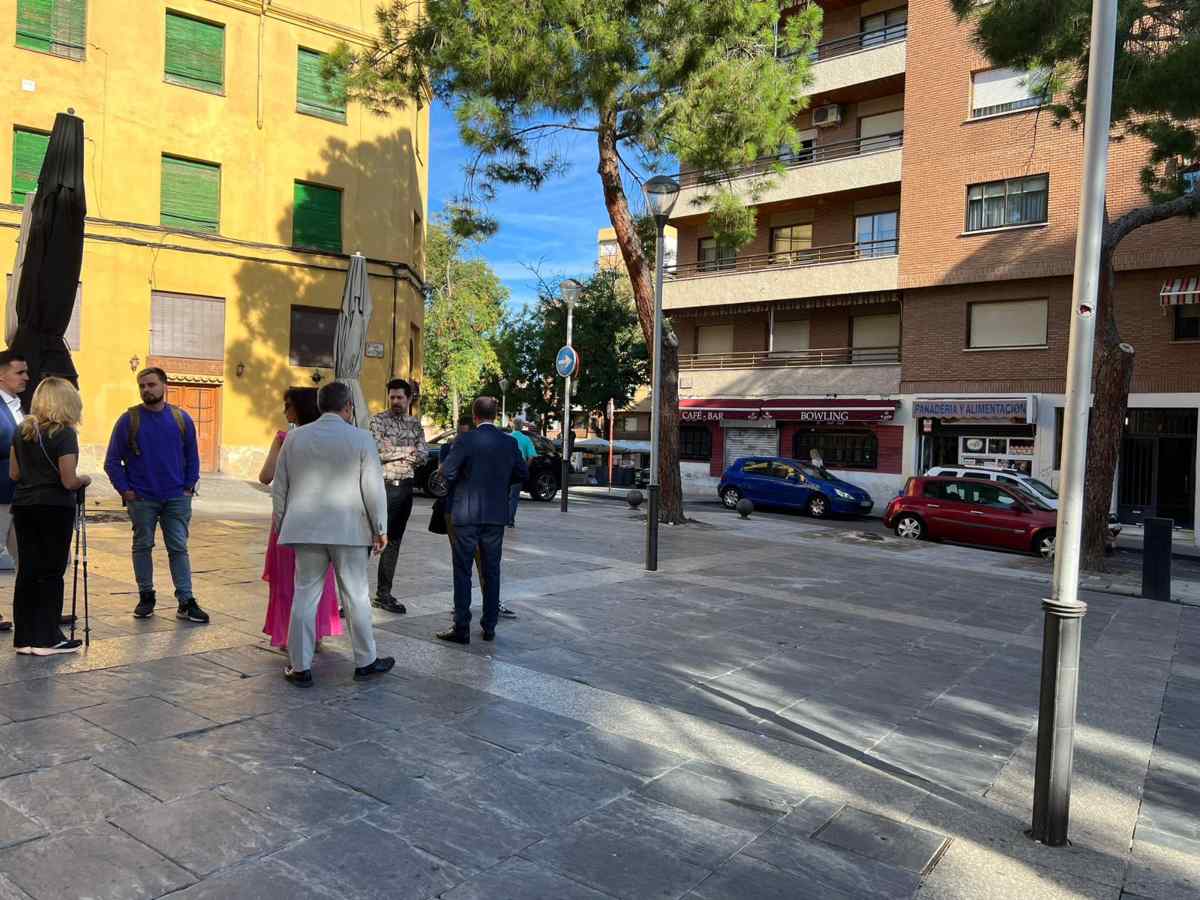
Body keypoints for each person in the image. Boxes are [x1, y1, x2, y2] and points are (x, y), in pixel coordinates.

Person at [271, 381, 394, 686]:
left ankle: (300, 667)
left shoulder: (295, 438)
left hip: (305, 528)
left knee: (305, 595)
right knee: (356, 596)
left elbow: (280, 487)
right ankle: (366, 661)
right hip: (349, 528)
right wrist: (380, 528)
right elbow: (373, 488)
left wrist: (282, 524)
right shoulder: (361, 438)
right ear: (348, 406)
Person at [104, 367, 208, 624]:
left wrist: (188, 486)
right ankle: (146, 596)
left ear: (164, 385)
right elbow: (112, 461)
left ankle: (186, 600)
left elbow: (192, 457)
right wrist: (125, 490)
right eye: (142, 386)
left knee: (178, 548)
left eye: (151, 384)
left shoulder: (181, 418)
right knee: (142, 546)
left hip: (176, 497)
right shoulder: (129, 420)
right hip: (142, 498)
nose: (146, 390)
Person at [436, 396, 527, 645]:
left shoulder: (465, 440)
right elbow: (522, 472)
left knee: (463, 571)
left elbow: (449, 471)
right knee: (492, 570)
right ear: (495, 416)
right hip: (495, 515)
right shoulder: (508, 443)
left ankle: (462, 627)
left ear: (475, 416)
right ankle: (489, 626)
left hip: (465, 515)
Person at [9, 377, 90, 655]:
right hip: (53, 507)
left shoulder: (22, 430)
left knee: (28, 571)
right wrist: (84, 479)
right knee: (52, 572)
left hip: (23, 506)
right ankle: (47, 638)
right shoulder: (64, 434)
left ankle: (24, 638)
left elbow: (14, 474)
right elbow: (68, 481)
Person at [258, 387, 342, 651]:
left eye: (288, 405)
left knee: (287, 581)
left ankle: (289, 636)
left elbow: (265, 476)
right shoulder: (332, 439)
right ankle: (314, 635)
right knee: (317, 579)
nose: (284, 410)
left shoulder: (286, 439)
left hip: (289, 519)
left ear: (300, 408)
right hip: (322, 518)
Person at [367, 378, 428, 615]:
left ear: (408, 398)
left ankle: (384, 593)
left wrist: (397, 450)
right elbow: (378, 452)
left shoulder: (415, 424)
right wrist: (407, 450)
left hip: (405, 488)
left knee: (393, 541)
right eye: (392, 397)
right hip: (382, 486)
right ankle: (352, 594)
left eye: (399, 397)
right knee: (366, 540)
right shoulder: (377, 421)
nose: (395, 401)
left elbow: (423, 454)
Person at [0, 350, 29, 633]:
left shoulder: (20, 406)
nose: (26, 377)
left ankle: (30, 611)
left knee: (25, 555)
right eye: (20, 372)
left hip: (21, 495)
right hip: (0, 493)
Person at [506, 416, 537, 528]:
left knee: (504, 495)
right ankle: (510, 520)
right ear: (521, 427)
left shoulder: (507, 438)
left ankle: (503, 518)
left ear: (513, 426)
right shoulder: (526, 439)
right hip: (518, 469)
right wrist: (525, 467)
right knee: (514, 496)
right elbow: (532, 456)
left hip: (506, 470)